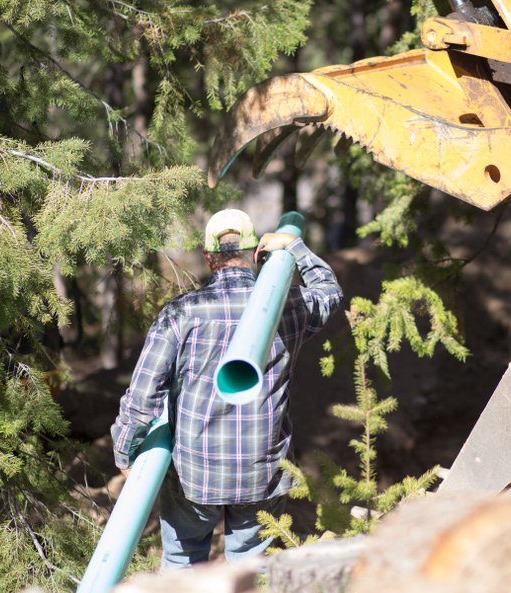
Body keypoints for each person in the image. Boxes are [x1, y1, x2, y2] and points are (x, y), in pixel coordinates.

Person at [111, 208, 343, 569]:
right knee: (250, 573)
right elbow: (329, 292)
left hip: (194, 477)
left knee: (182, 562)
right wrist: (295, 247)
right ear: (255, 254)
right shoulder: (290, 307)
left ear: (208, 257)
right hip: (262, 474)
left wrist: (125, 451)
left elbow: (143, 398)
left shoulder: (182, 313)